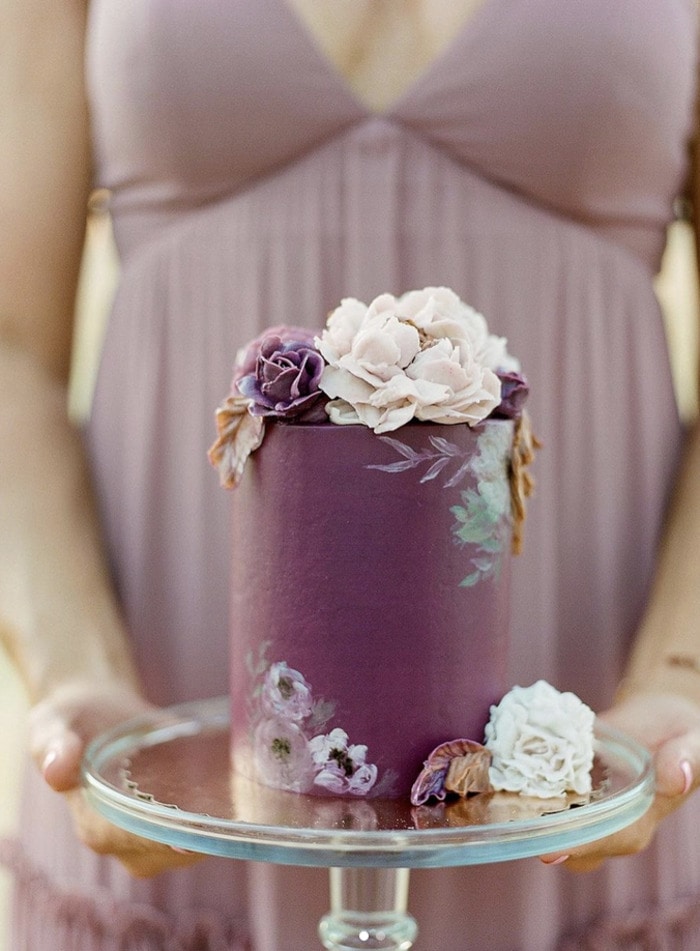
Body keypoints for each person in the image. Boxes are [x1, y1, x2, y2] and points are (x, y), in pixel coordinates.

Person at [1, 0, 700, 947]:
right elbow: (10, 351)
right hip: (158, 757)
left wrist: (682, 674)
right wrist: (75, 669)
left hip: (599, 753)